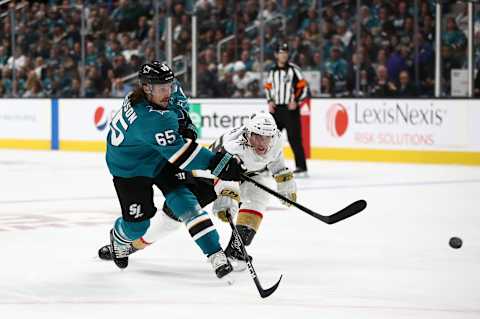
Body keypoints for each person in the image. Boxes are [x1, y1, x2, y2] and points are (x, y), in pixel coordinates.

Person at [100, 61, 245, 281]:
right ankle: (119, 238)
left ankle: (215, 254)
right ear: (147, 88)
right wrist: (219, 162)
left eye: (169, 85)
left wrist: (185, 124)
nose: (168, 91)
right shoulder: (148, 119)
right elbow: (183, 155)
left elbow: (182, 110)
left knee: (184, 201)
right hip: (130, 168)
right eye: (162, 88)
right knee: (138, 227)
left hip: (158, 157)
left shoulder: (159, 94)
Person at [210, 111, 297, 270]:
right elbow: (221, 172)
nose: (262, 143)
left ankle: (237, 249)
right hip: (210, 175)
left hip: (246, 173)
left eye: (267, 137)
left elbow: (276, 163)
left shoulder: (276, 138)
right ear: (248, 133)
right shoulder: (233, 146)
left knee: (259, 195)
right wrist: (226, 196)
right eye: (257, 136)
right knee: (176, 216)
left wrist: (286, 184)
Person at [264, 42, 308, 175]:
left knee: (294, 138)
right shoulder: (271, 71)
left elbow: (303, 86)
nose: (284, 55)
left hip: (290, 110)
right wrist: (270, 101)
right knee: (270, 139)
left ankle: (302, 167)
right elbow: (268, 87)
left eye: (286, 53)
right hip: (276, 109)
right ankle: (266, 166)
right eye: (281, 53)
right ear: (276, 55)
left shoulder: (294, 69)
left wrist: (297, 101)